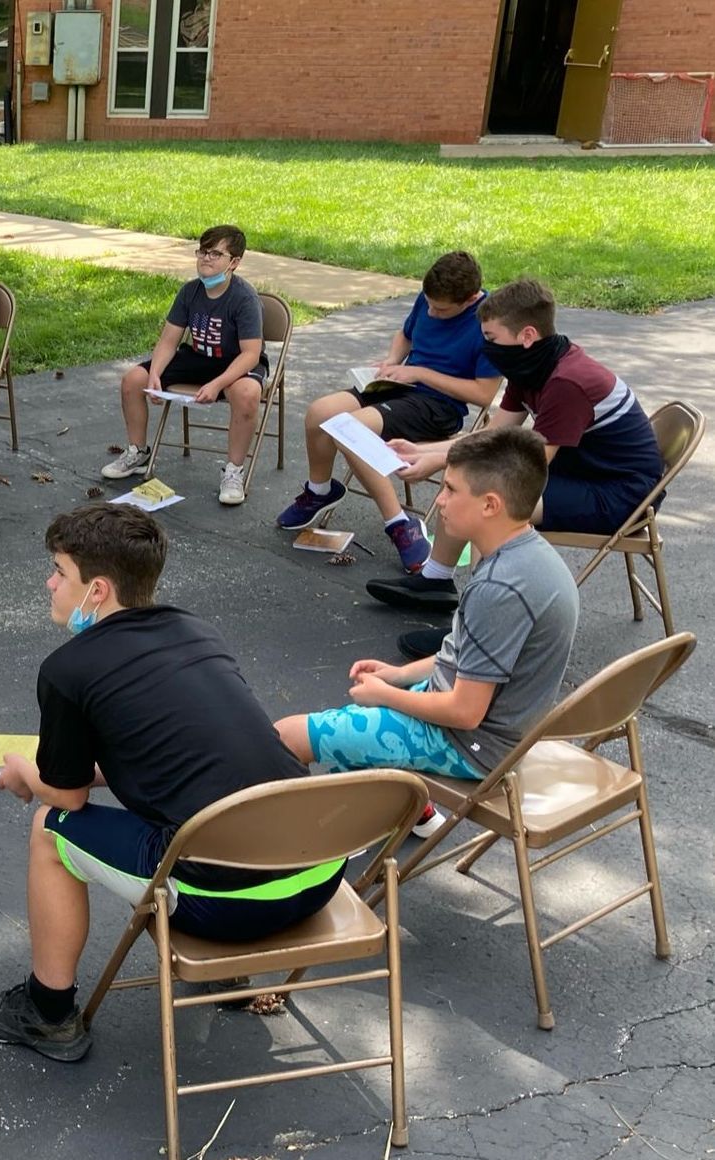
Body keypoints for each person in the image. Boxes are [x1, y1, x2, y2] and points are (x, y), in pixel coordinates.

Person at [0, 504, 345, 1062]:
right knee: (199, 805)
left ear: (96, 589)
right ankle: (228, 976)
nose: (49, 582)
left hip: (229, 905)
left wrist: (25, 771)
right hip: (318, 871)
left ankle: (48, 1011)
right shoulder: (196, 630)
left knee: (50, 832)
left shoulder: (69, 670)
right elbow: (181, 758)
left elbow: (67, 795)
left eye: (59, 570)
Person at [275, 427, 578, 798]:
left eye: (451, 489)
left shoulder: (500, 587)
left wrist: (387, 695)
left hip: (467, 746)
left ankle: (293, 847)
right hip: (490, 730)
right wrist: (400, 674)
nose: (440, 501)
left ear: (490, 505)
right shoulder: (530, 555)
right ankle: (414, 809)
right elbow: (468, 656)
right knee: (352, 717)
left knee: (287, 737)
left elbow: (465, 712)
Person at [365, 277, 661, 656]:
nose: (486, 347)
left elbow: (527, 464)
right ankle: (436, 581)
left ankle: (474, 634)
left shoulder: (568, 383)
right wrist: (424, 450)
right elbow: (495, 433)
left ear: (526, 335)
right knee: (467, 479)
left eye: (491, 337)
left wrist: (439, 459)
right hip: (582, 470)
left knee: (490, 505)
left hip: (619, 493)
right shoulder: (533, 364)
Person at [275, 251, 503, 570]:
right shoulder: (429, 299)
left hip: (438, 405)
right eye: (429, 304)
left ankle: (399, 523)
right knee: (320, 411)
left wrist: (420, 373)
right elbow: (405, 335)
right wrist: (393, 361)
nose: (432, 313)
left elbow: (484, 393)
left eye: (441, 309)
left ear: (470, 299)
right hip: (400, 386)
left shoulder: (491, 321)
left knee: (349, 427)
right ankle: (320, 490)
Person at [102, 224, 270, 506]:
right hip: (198, 357)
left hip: (235, 362)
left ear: (234, 262)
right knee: (133, 379)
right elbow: (169, 341)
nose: (206, 258)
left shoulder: (244, 298)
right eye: (203, 251)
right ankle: (138, 453)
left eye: (215, 253)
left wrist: (217, 385)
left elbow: (251, 354)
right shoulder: (190, 292)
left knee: (246, 394)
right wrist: (154, 375)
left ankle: (234, 471)